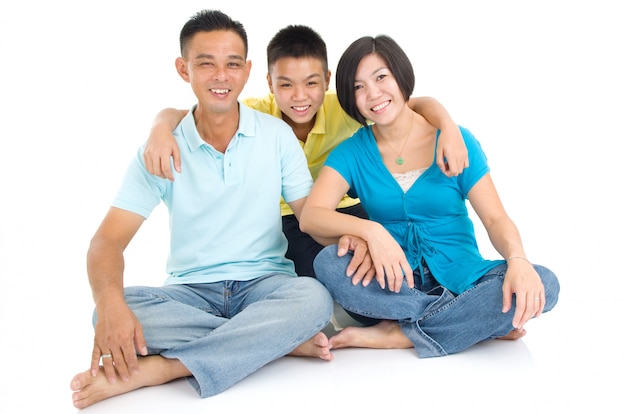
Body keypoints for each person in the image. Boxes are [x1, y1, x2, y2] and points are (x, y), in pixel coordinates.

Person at [69, 10, 371, 409]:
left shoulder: (277, 136)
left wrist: (365, 235)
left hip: (266, 285)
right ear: (184, 69)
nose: (220, 75)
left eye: (232, 64)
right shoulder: (160, 150)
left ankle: (168, 368)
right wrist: (109, 307)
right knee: (108, 309)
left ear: (247, 72)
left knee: (312, 298)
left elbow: (309, 218)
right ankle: (270, 341)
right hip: (189, 292)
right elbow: (107, 241)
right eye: (205, 63)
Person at [299, 34, 560, 356]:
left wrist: (518, 260)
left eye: (381, 77)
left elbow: (495, 218)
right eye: (358, 86)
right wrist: (370, 231)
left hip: (464, 275)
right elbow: (311, 216)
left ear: (401, 76)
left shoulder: (455, 140)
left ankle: (401, 333)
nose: (373, 94)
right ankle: (471, 321)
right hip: (393, 283)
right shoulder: (351, 153)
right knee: (328, 262)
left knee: (543, 282)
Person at [143, 24, 469, 279]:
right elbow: (195, 113)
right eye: (286, 85)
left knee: (391, 263)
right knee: (321, 271)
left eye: (311, 84)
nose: (300, 97)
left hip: (347, 209)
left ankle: (412, 304)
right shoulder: (255, 114)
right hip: (287, 218)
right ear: (270, 84)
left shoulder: (344, 106)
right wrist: (160, 126)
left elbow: (413, 104)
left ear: (327, 80)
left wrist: (449, 128)